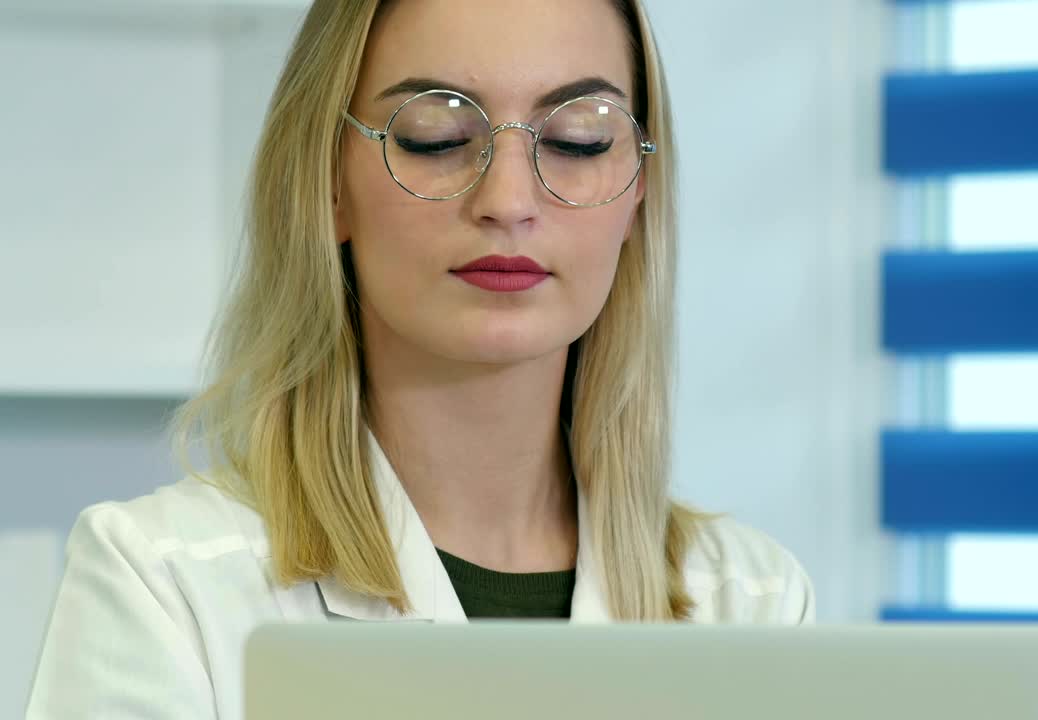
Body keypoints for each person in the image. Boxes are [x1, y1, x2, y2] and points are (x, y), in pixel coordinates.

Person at [27, 0, 813, 717]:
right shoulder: (164, 585)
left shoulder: (751, 601)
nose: (508, 199)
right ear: (328, 180)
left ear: (638, 188)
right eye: (435, 135)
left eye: (579, 139)